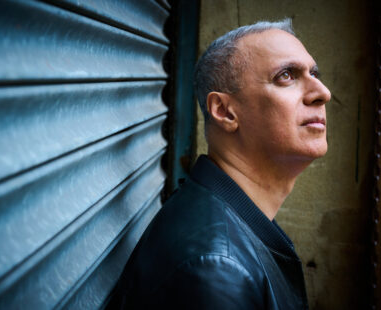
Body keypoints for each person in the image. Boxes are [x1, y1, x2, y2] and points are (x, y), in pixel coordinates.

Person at [108, 18, 331, 309]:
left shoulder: (227, 232)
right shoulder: (215, 269)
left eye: (314, 73)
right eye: (286, 75)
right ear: (225, 111)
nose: (322, 93)